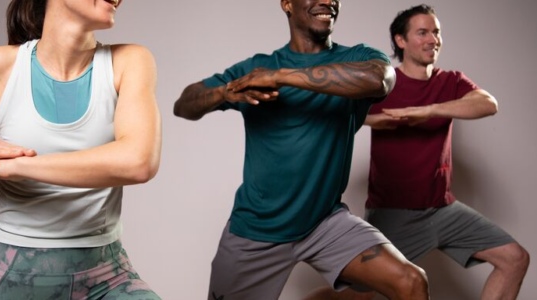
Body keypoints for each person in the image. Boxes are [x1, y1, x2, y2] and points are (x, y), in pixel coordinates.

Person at [173, 0, 429, 299]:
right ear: (287, 4)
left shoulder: (358, 57)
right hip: (256, 229)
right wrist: (224, 91)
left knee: (411, 282)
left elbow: (380, 80)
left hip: (324, 222)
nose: (328, 1)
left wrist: (281, 76)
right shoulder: (255, 68)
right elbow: (185, 104)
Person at [0, 0, 162, 299]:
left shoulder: (129, 61)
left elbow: (138, 161)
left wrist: (18, 166)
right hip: (13, 278)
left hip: (106, 275)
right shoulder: (1, 66)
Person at [308, 4, 530, 300]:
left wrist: (429, 110)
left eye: (436, 32)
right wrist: (376, 119)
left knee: (514, 259)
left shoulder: (450, 82)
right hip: (393, 214)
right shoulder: (383, 83)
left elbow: (488, 104)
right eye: (422, 32)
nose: (432, 39)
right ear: (401, 41)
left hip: (444, 210)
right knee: (358, 297)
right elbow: (334, 118)